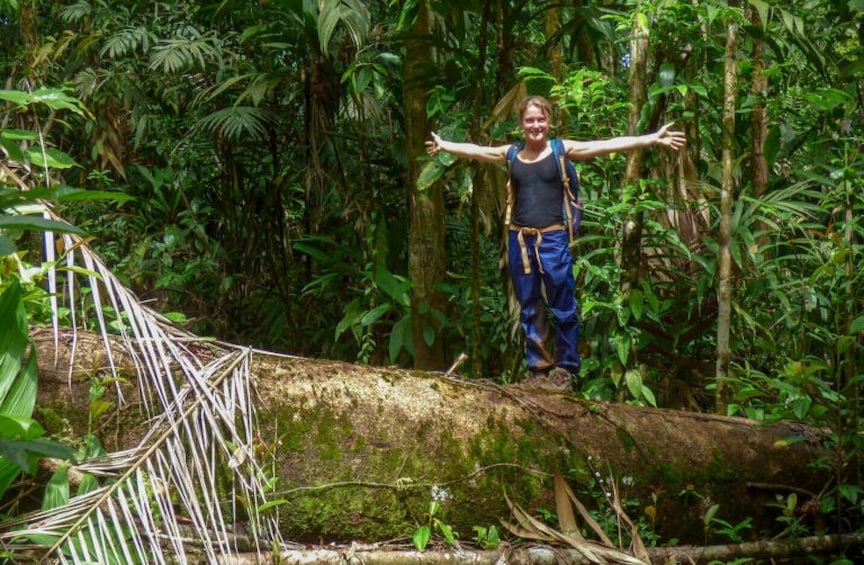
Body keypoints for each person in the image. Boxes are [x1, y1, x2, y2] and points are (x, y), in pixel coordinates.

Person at [425, 95, 686, 391]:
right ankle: (537, 371)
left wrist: (652, 139)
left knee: (563, 306)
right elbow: (477, 151)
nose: (535, 125)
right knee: (530, 306)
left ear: (549, 121)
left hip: (553, 238)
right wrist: (445, 145)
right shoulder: (511, 154)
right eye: (529, 120)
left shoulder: (561, 150)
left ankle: (565, 370)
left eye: (541, 119)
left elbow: (607, 144)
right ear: (521, 124)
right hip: (520, 239)